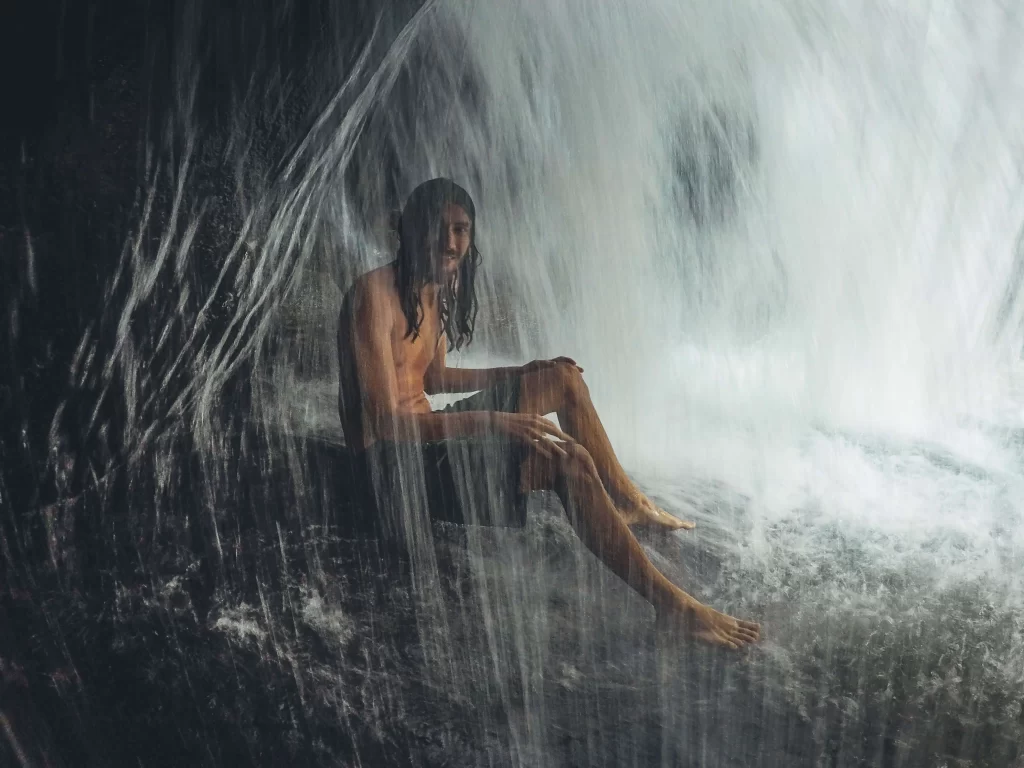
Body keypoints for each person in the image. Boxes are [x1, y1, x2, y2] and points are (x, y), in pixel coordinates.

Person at [337, 178, 760, 650]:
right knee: (568, 461)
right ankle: (672, 607)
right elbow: (384, 421)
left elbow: (432, 379)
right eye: (439, 229)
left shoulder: (433, 291)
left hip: (430, 443)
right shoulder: (371, 297)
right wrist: (494, 422)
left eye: (460, 230)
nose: (451, 242)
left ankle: (625, 500)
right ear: (411, 229)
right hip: (388, 470)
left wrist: (520, 372)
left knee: (561, 376)